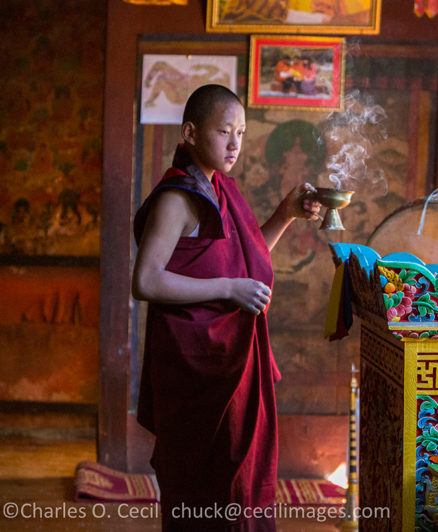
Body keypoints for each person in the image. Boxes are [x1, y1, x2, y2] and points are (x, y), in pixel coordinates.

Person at [132, 84, 321, 530]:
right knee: (204, 486)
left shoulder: (222, 189)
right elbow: (145, 280)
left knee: (239, 482)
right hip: (196, 369)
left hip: (230, 362)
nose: (235, 143)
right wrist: (228, 289)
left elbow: (249, 259)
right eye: (223, 131)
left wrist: (287, 212)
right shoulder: (177, 198)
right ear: (191, 133)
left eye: (241, 132)